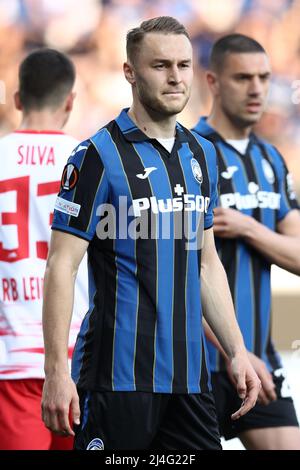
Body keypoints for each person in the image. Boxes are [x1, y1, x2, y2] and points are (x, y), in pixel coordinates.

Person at [41, 17, 261, 451]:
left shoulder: (202, 153)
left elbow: (205, 262)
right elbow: (61, 267)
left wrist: (236, 350)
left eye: (183, 64)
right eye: (160, 65)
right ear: (130, 73)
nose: (176, 77)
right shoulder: (95, 156)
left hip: (189, 379)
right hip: (115, 378)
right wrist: (56, 372)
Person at [192, 33, 300, 450]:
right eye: (242, 77)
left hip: (259, 361)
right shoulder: (189, 154)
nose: (256, 88)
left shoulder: (271, 160)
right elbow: (172, 273)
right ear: (214, 82)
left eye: (264, 77)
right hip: (194, 363)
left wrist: (248, 227)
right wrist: (233, 348)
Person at [0, 49, 88, 450]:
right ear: (70, 100)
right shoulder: (93, 162)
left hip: (11, 355)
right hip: (79, 357)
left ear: (17, 99)